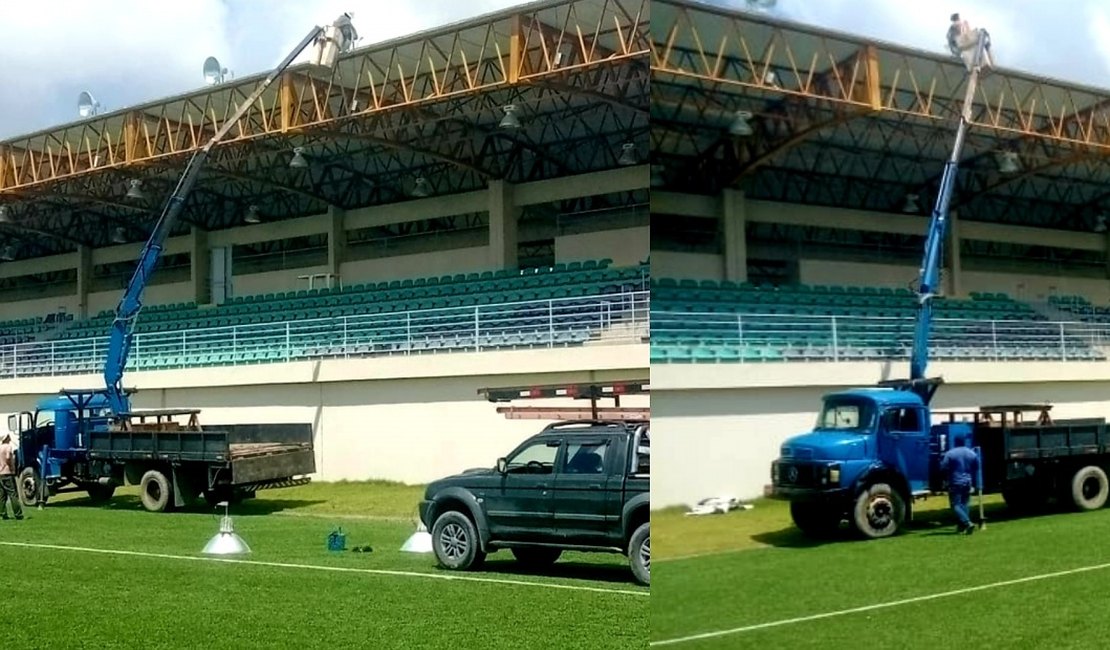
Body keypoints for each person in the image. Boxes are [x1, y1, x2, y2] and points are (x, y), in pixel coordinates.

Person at [940, 432, 979, 534]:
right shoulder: (971, 453)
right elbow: (976, 467)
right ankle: (962, 527)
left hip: (955, 481)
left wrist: (945, 478)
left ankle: (967, 523)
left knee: (955, 505)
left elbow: (943, 467)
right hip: (968, 481)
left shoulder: (950, 453)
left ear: (955, 442)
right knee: (965, 504)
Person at [0, 434, 24, 521]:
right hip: (7, 473)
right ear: (6, 438)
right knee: (13, 494)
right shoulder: (8, 447)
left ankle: (2, 513)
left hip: (0, 474)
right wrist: (11, 466)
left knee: (2, 496)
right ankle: (18, 514)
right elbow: (8, 457)